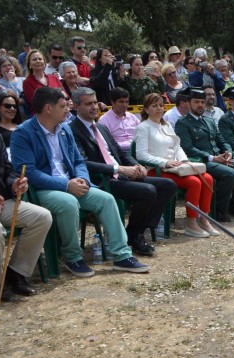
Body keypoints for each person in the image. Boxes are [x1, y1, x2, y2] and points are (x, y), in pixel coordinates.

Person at [11, 87, 150, 277]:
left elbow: (78, 161)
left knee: (106, 199)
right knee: (69, 203)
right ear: (48, 109)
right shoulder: (23, 133)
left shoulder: (64, 129)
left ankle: (122, 255)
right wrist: (66, 185)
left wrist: (82, 179)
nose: (68, 110)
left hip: (72, 183)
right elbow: (29, 173)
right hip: (44, 189)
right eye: (63, 106)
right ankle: (73, 257)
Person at [69, 87, 177, 255]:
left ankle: (135, 232)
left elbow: (119, 152)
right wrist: (119, 169)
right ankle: (135, 235)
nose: (94, 107)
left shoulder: (101, 127)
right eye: (88, 104)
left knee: (167, 185)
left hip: (121, 174)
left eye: (95, 103)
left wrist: (136, 165)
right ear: (76, 106)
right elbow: (83, 163)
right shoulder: (72, 130)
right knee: (147, 190)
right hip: (101, 180)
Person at [134, 93, 219, 238]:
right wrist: (165, 162)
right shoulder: (143, 127)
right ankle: (191, 224)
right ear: (146, 109)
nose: (159, 109)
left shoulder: (166, 125)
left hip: (175, 168)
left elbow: (177, 147)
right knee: (194, 182)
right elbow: (141, 155)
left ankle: (204, 220)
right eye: (154, 106)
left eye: (161, 105)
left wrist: (185, 161)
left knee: (208, 178)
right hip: (156, 170)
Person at [174, 87, 234, 222]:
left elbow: (221, 139)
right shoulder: (183, 123)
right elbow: (187, 148)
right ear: (188, 103)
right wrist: (212, 158)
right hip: (201, 161)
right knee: (230, 174)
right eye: (196, 102)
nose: (200, 105)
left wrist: (227, 152)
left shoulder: (209, 120)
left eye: (202, 102)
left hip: (218, 158)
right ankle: (218, 210)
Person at [0, 128, 52, 301]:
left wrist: (15, 184)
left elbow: (8, 171)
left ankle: (15, 272)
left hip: (0, 203)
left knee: (41, 217)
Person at [22, 50, 65, 115]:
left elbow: (65, 95)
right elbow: (36, 103)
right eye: (34, 59)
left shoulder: (54, 78)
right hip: (42, 116)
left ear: (44, 63)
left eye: (40, 59)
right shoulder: (27, 83)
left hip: (61, 113)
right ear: (29, 64)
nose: (38, 61)